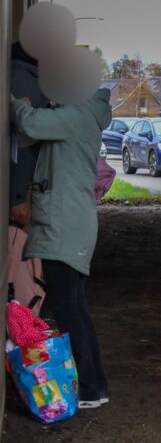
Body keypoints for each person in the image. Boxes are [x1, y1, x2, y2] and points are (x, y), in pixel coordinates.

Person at [9, 87, 113, 410]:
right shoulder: (81, 113)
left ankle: (89, 389)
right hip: (69, 223)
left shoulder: (77, 112)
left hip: (65, 225)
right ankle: (95, 386)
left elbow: (32, 125)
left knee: (69, 309)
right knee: (75, 308)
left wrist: (11, 101)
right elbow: (41, 129)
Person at [9, 42, 49, 228]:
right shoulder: (25, 80)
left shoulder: (20, 73)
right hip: (21, 186)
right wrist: (18, 197)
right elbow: (22, 141)